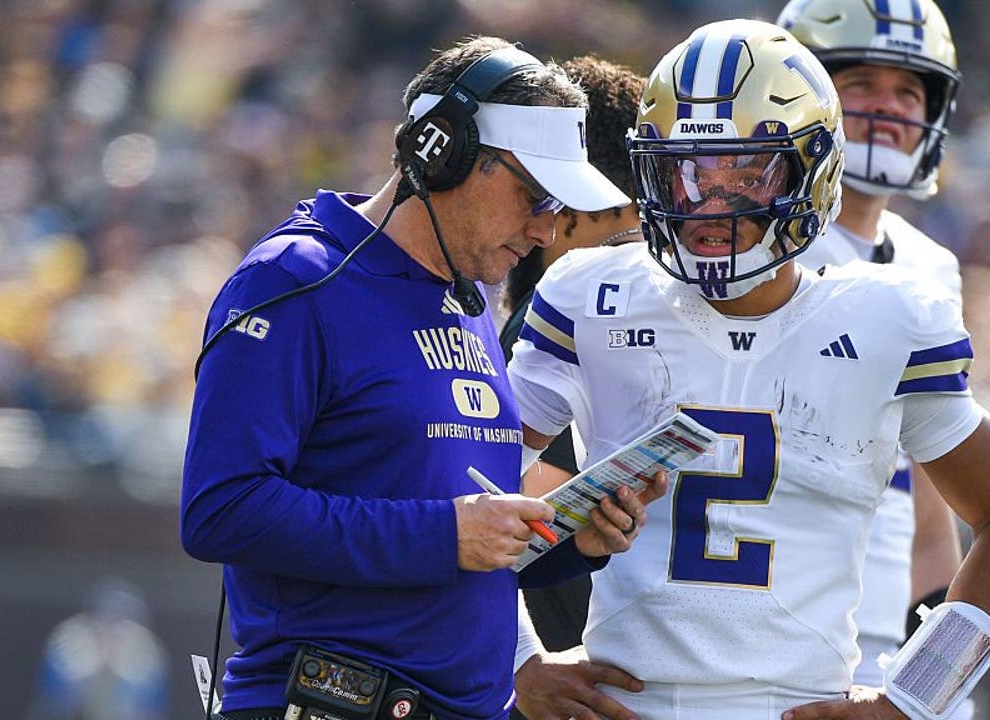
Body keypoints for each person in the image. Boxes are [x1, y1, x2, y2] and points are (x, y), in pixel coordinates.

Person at [508, 18, 990, 720]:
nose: (710, 205)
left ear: (811, 172)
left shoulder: (891, 315)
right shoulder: (593, 295)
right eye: (687, 172)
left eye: (744, 173)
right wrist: (516, 659)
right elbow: (465, 483)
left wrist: (914, 700)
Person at [181, 36, 667, 720]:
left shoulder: (467, 296)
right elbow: (220, 510)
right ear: (443, 153)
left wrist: (570, 540)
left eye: (558, 207)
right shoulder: (297, 278)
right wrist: (445, 535)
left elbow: (454, 533)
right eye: (533, 197)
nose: (546, 229)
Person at [776, 1, 974, 715]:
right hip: (762, 644)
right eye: (860, 83)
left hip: (883, 660)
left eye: (908, 91)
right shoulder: (758, 249)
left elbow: (932, 512)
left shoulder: (931, 268)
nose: (888, 108)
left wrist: (936, 691)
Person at [498, 55, 646, 661]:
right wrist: (525, 665)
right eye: (640, 206)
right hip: (574, 674)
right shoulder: (564, 328)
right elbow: (509, 526)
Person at [26, 577, 169, 720]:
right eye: (106, 615)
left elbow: (150, 708)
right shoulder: (68, 644)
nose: (113, 625)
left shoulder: (146, 651)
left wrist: (121, 673)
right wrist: (83, 676)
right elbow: (53, 699)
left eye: (122, 618)